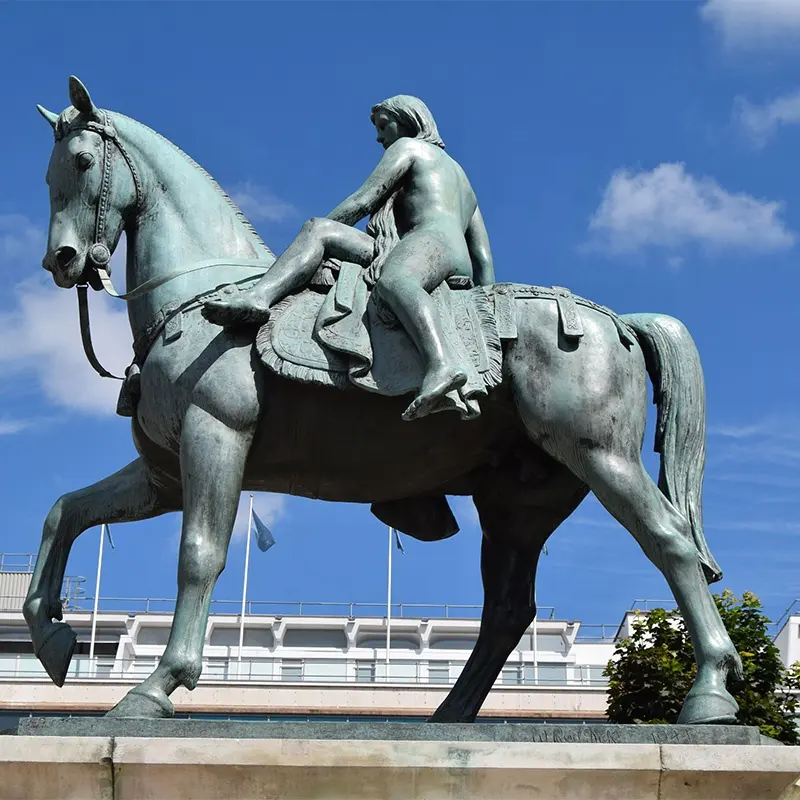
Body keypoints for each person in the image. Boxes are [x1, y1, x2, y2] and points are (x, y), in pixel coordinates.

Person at [202, 95, 494, 421]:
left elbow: (364, 199)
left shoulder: (409, 147)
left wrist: (324, 234)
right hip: (455, 254)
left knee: (381, 271)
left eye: (384, 126)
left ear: (409, 121)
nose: (379, 137)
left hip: (427, 241)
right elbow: (481, 254)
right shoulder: (463, 179)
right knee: (332, 237)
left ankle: (441, 364)